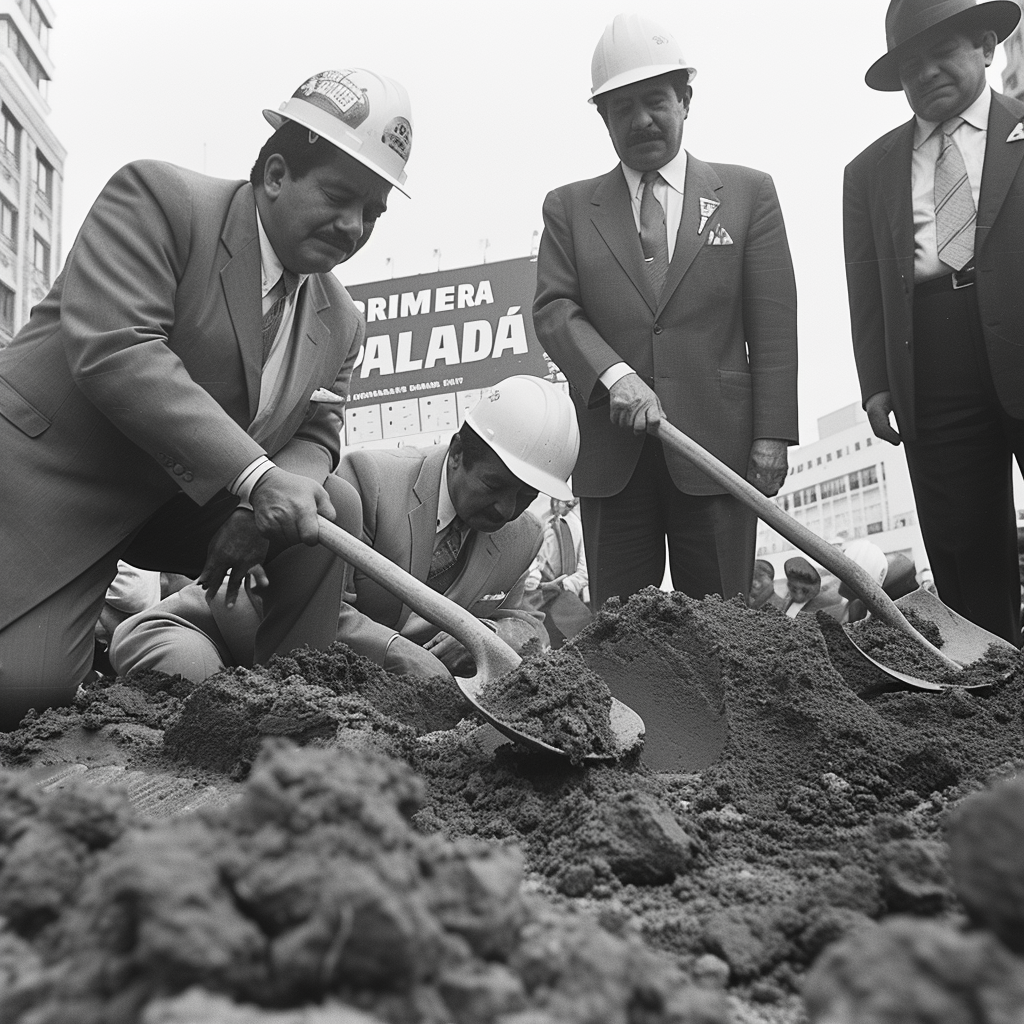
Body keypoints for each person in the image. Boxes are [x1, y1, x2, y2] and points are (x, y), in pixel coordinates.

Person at [0, 69, 414, 727]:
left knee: (327, 506)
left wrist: (266, 506)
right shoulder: (160, 201)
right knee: (23, 690)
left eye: (373, 213)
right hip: (49, 476)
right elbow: (118, 351)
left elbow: (317, 435)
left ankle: (295, 718)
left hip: (176, 502)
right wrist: (254, 477)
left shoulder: (342, 318)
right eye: (339, 196)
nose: (353, 226)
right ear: (275, 174)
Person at [533, 13, 799, 612]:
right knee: (623, 634)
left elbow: (775, 324)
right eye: (621, 108)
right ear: (603, 118)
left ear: (686, 99)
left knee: (726, 629)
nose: (641, 120)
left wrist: (771, 436)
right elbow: (553, 308)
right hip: (613, 456)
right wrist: (615, 374)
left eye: (655, 101)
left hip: (717, 451)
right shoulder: (570, 209)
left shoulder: (749, 194)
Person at [110, 376, 581, 682]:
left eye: (527, 496)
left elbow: (523, 621)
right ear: (457, 450)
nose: (507, 508)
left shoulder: (525, 536)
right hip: (220, 640)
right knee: (194, 681)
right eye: (495, 485)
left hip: (340, 690)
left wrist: (486, 636)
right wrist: (402, 655)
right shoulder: (370, 483)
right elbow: (316, 612)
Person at [844, 0, 1024, 646]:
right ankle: (996, 714)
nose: (925, 74)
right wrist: (876, 384)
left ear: (985, 46)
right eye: (909, 66)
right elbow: (864, 287)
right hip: (932, 357)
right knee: (963, 548)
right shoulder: (867, 173)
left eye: (940, 53)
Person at [524, 496, 593, 648]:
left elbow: (585, 568)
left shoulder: (577, 526)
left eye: (572, 504)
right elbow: (525, 558)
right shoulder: (532, 521)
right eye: (563, 502)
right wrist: (537, 583)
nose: (567, 507)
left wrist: (564, 585)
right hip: (532, 596)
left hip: (563, 594)